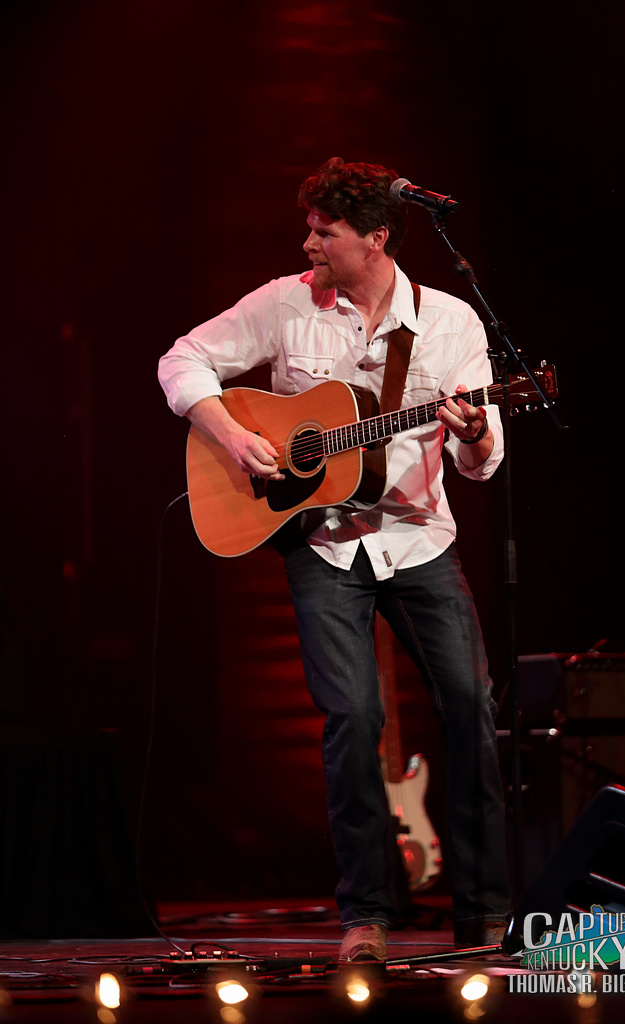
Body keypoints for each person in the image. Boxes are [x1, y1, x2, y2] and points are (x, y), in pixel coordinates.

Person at [158, 157, 510, 961]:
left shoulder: (449, 321)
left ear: (375, 238)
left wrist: (475, 433)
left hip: (418, 538)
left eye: (325, 232)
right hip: (322, 542)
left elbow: (481, 464)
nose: (308, 244)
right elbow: (180, 360)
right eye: (310, 229)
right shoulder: (286, 303)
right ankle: (366, 918)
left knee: (471, 706)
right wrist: (233, 436)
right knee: (353, 718)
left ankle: (484, 912)